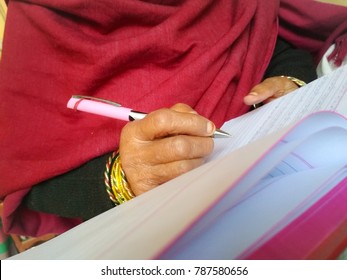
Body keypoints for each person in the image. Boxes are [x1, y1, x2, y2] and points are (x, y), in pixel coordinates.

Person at [0, 0, 317, 237]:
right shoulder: (42, 15)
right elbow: (25, 168)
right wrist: (121, 178)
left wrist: (291, 84)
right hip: (138, 239)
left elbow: (269, 43)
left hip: (280, 192)